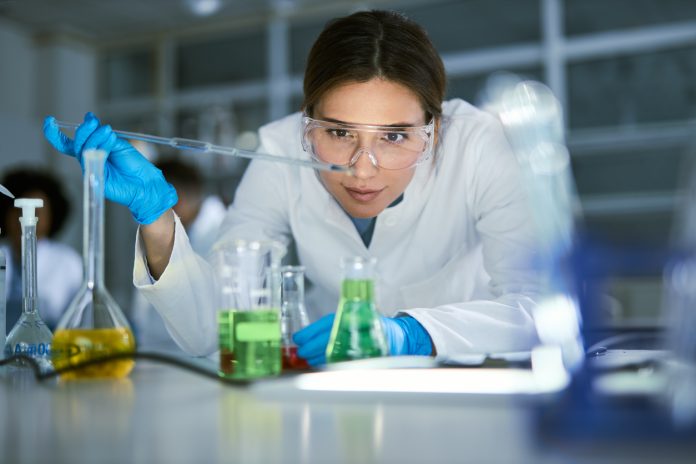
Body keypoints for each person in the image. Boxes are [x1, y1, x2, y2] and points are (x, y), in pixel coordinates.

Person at [43, 10, 540, 365]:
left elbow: (542, 307)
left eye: (393, 137)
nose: (362, 171)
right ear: (307, 124)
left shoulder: (477, 144)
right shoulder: (280, 149)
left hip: (472, 380)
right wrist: (157, 221)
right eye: (339, 133)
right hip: (335, 390)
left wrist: (408, 333)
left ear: (434, 126)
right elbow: (208, 328)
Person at [130, 158, 226, 351]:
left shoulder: (222, 236)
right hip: (158, 352)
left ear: (175, 197)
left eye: (153, 201)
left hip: (194, 358)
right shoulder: (183, 228)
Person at [0, 168, 83, 330]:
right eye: (17, 210)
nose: (23, 220)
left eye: (37, 212)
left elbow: (78, 321)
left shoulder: (68, 262)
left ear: (52, 216)